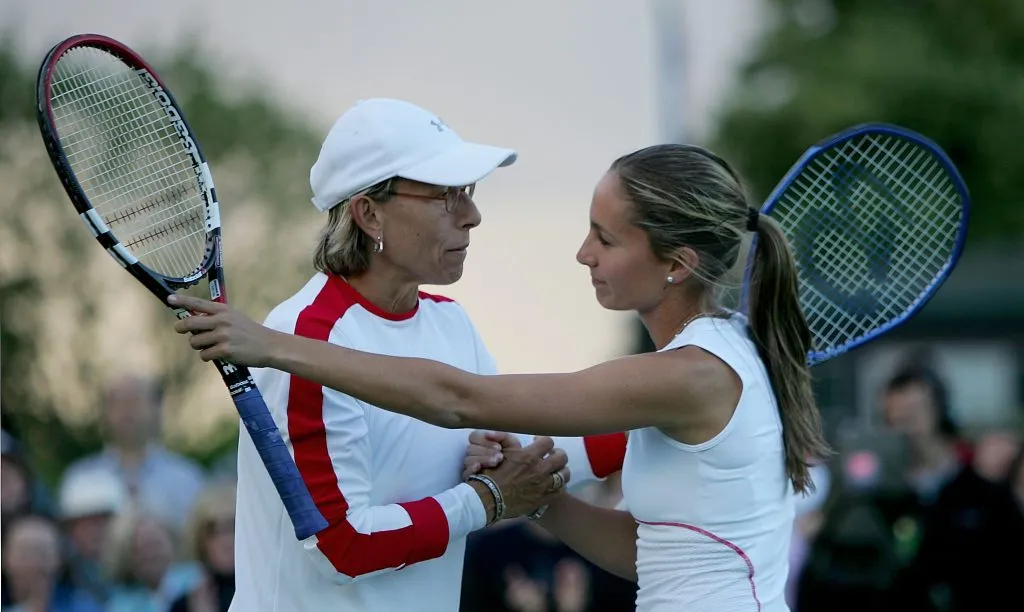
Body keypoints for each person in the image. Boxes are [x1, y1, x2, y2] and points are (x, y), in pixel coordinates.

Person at [171, 142, 832, 611]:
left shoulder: (688, 375)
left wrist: (273, 347)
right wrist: (528, 493)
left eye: (606, 238)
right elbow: (654, 554)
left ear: (676, 264)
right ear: (367, 215)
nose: (582, 253)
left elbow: (459, 401)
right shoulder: (714, 360)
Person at [170, 97, 622, 612]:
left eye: (468, 192)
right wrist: (487, 498)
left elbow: (531, 456)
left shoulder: (450, 321)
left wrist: (656, 420)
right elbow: (343, 546)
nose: (472, 215)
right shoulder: (305, 336)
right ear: (368, 214)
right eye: (446, 195)